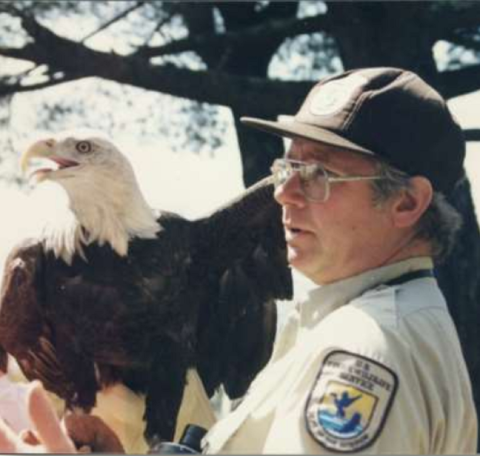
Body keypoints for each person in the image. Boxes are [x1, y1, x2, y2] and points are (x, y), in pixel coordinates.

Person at [0, 67, 477, 454]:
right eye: (287, 168)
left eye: (318, 174)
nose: (284, 193)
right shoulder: (382, 322)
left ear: (406, 204)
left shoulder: (364, 355)